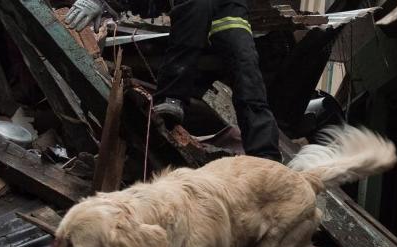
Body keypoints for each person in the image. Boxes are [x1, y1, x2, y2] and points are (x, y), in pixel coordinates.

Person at [65, 0, 282, 160]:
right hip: (192, 16)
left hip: (228, 10)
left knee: (247, 69)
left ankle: (266, 156)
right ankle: (171, 99)